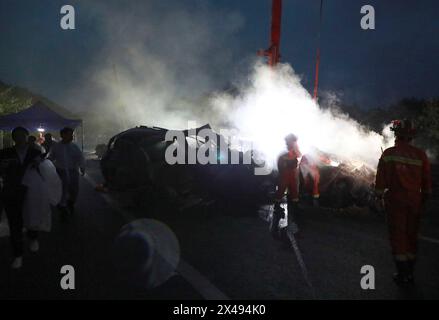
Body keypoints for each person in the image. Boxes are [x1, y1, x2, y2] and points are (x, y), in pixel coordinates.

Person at [375, 119, 432, 286]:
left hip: (396, 202)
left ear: (396, 134)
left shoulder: (388, 153)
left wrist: (378, 197)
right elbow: (427, 183)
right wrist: (423, 201)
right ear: (412, 136)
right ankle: (411, 273)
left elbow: (380, 182)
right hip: (415, 201)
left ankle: (402, 274)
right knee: (411, 235)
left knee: (398, 236)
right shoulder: (421, 155)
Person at [0, 127, 42, 269]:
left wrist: (38, 164)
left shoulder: (35, 152)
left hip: (31, 191)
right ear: (13, 138)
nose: (19, 138)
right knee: (14, 222)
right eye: (16, 135)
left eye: (22, 135)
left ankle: (33, 236)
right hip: (11, 191)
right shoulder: (5, 153)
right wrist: (3, 167)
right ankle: (18, 254)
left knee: (32, 215)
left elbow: (43, 171)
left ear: (26, 136)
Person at [270, 133, 302, 238]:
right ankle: (277, 206)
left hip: (292, 176)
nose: (293, 143)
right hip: (285, 175)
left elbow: (298, 157)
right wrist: (288, 164)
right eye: (292, 141)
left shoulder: (294, 151)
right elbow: (281, 165)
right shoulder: (283, 153)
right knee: (280, 191)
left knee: (294, 193)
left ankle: (294, 208)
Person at [48, 127, 85, 216]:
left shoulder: (74, 146)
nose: (72, 137)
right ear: (63, 135)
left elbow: (80, 157)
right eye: (69, 135)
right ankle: (62, 208)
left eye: (72, 135)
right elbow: (52, 157)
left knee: (74, 190)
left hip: (73, 171)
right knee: (62, 190)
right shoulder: (56, 146)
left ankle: (70, 203)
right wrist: (45, 162)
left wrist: (82, 167)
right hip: (60, 171)